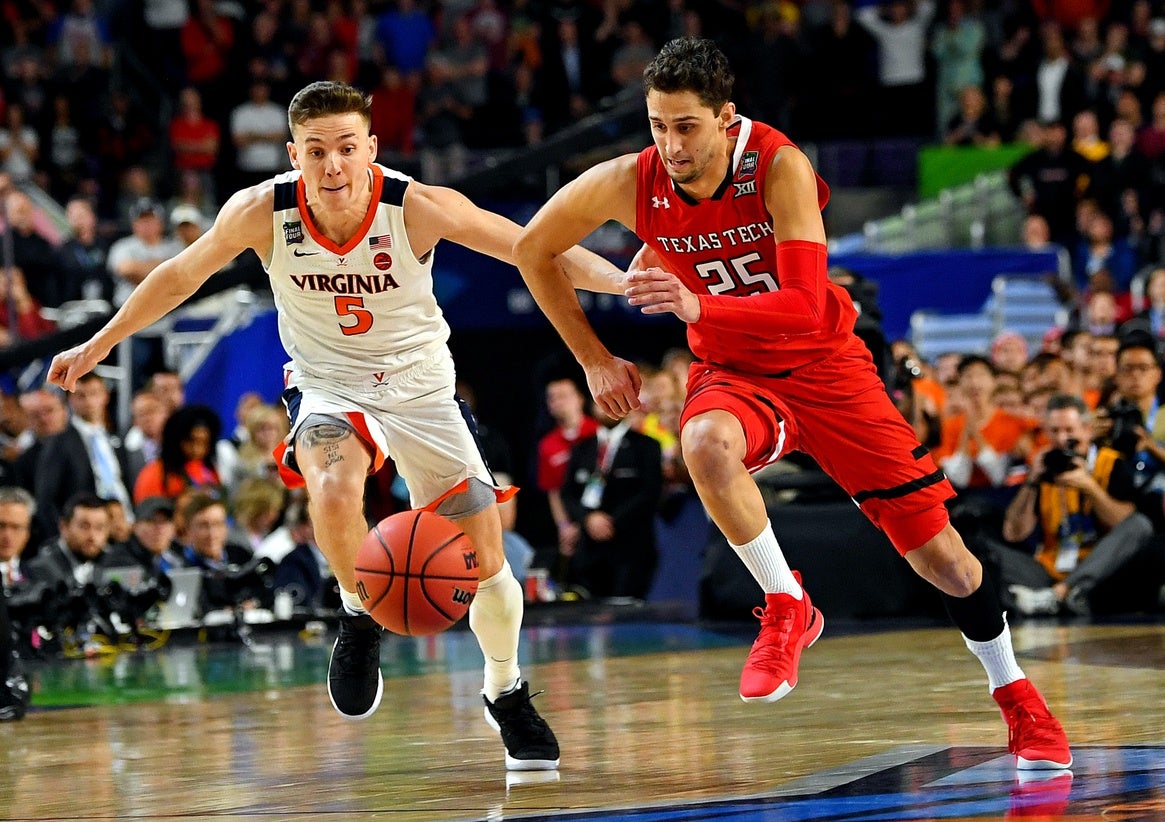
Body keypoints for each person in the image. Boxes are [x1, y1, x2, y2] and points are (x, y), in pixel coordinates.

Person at [513, 36, 1072, 771]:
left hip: (827, 368)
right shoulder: (629, 180)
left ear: (724, 119)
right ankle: (786, 605)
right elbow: (532, 250)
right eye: (657, 126)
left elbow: (807, 307)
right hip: (737, 373)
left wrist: (694, 303)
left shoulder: (779, 166)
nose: (671, 144)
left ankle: (1016, 697)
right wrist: (593, 357)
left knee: (948, 566)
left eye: (686, 127)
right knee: (703, 444)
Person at [48, 79, 614, 771]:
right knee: (334, 487)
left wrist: (622, 283)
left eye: (347, 148)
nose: (334, 166)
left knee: (488, 564)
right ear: (294, 154)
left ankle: (504, 688)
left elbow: (533, 246)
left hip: (419, 389)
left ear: (371, 148)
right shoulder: (263, 210)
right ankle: (357, 610)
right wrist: (100, 342)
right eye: (317, 151)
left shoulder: (416, 207)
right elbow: (177, 276)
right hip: (328, 383)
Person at [998, 393, 1159, 616]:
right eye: (1054, 431)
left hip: (1101, 568)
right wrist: (1032, 482)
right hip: (1051, 567)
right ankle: (1057, 596)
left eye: (1069, 431)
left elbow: (1126, 525)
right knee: (984, 552)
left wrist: (1090, 487)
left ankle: (1060, 594)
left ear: (1087, 430)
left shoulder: (1111, 462)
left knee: (1141, 525)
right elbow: (1013, 533)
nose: (1062, 439)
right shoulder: (1044, 468)